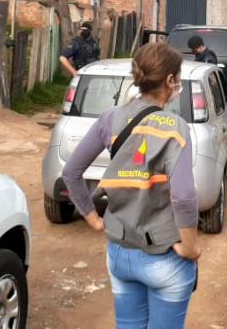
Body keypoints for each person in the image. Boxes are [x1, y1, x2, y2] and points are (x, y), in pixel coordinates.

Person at [62, 42, 200, 328]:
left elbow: (72, 172)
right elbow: (184, 196)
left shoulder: (110, 118)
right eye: (179, 77)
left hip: (119, 253)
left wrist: (93, 219)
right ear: (169, 80)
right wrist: (189, 248)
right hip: (165, 256)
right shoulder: (175, 127)